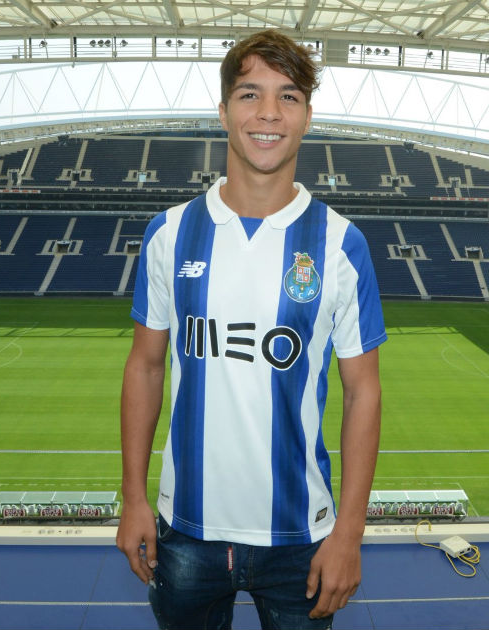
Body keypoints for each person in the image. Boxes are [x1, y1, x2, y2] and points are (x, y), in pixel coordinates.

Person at [117, 28, 386, 630]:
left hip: (302, 539)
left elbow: (363, 391)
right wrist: (133, 498)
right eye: (249, 94)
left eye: (288, 96)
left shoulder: (341, 244)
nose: (268, 112)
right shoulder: (169, 234)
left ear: (307, 117)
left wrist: (349, 533)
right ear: (223, 112)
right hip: (185, 531)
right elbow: (146, 366)